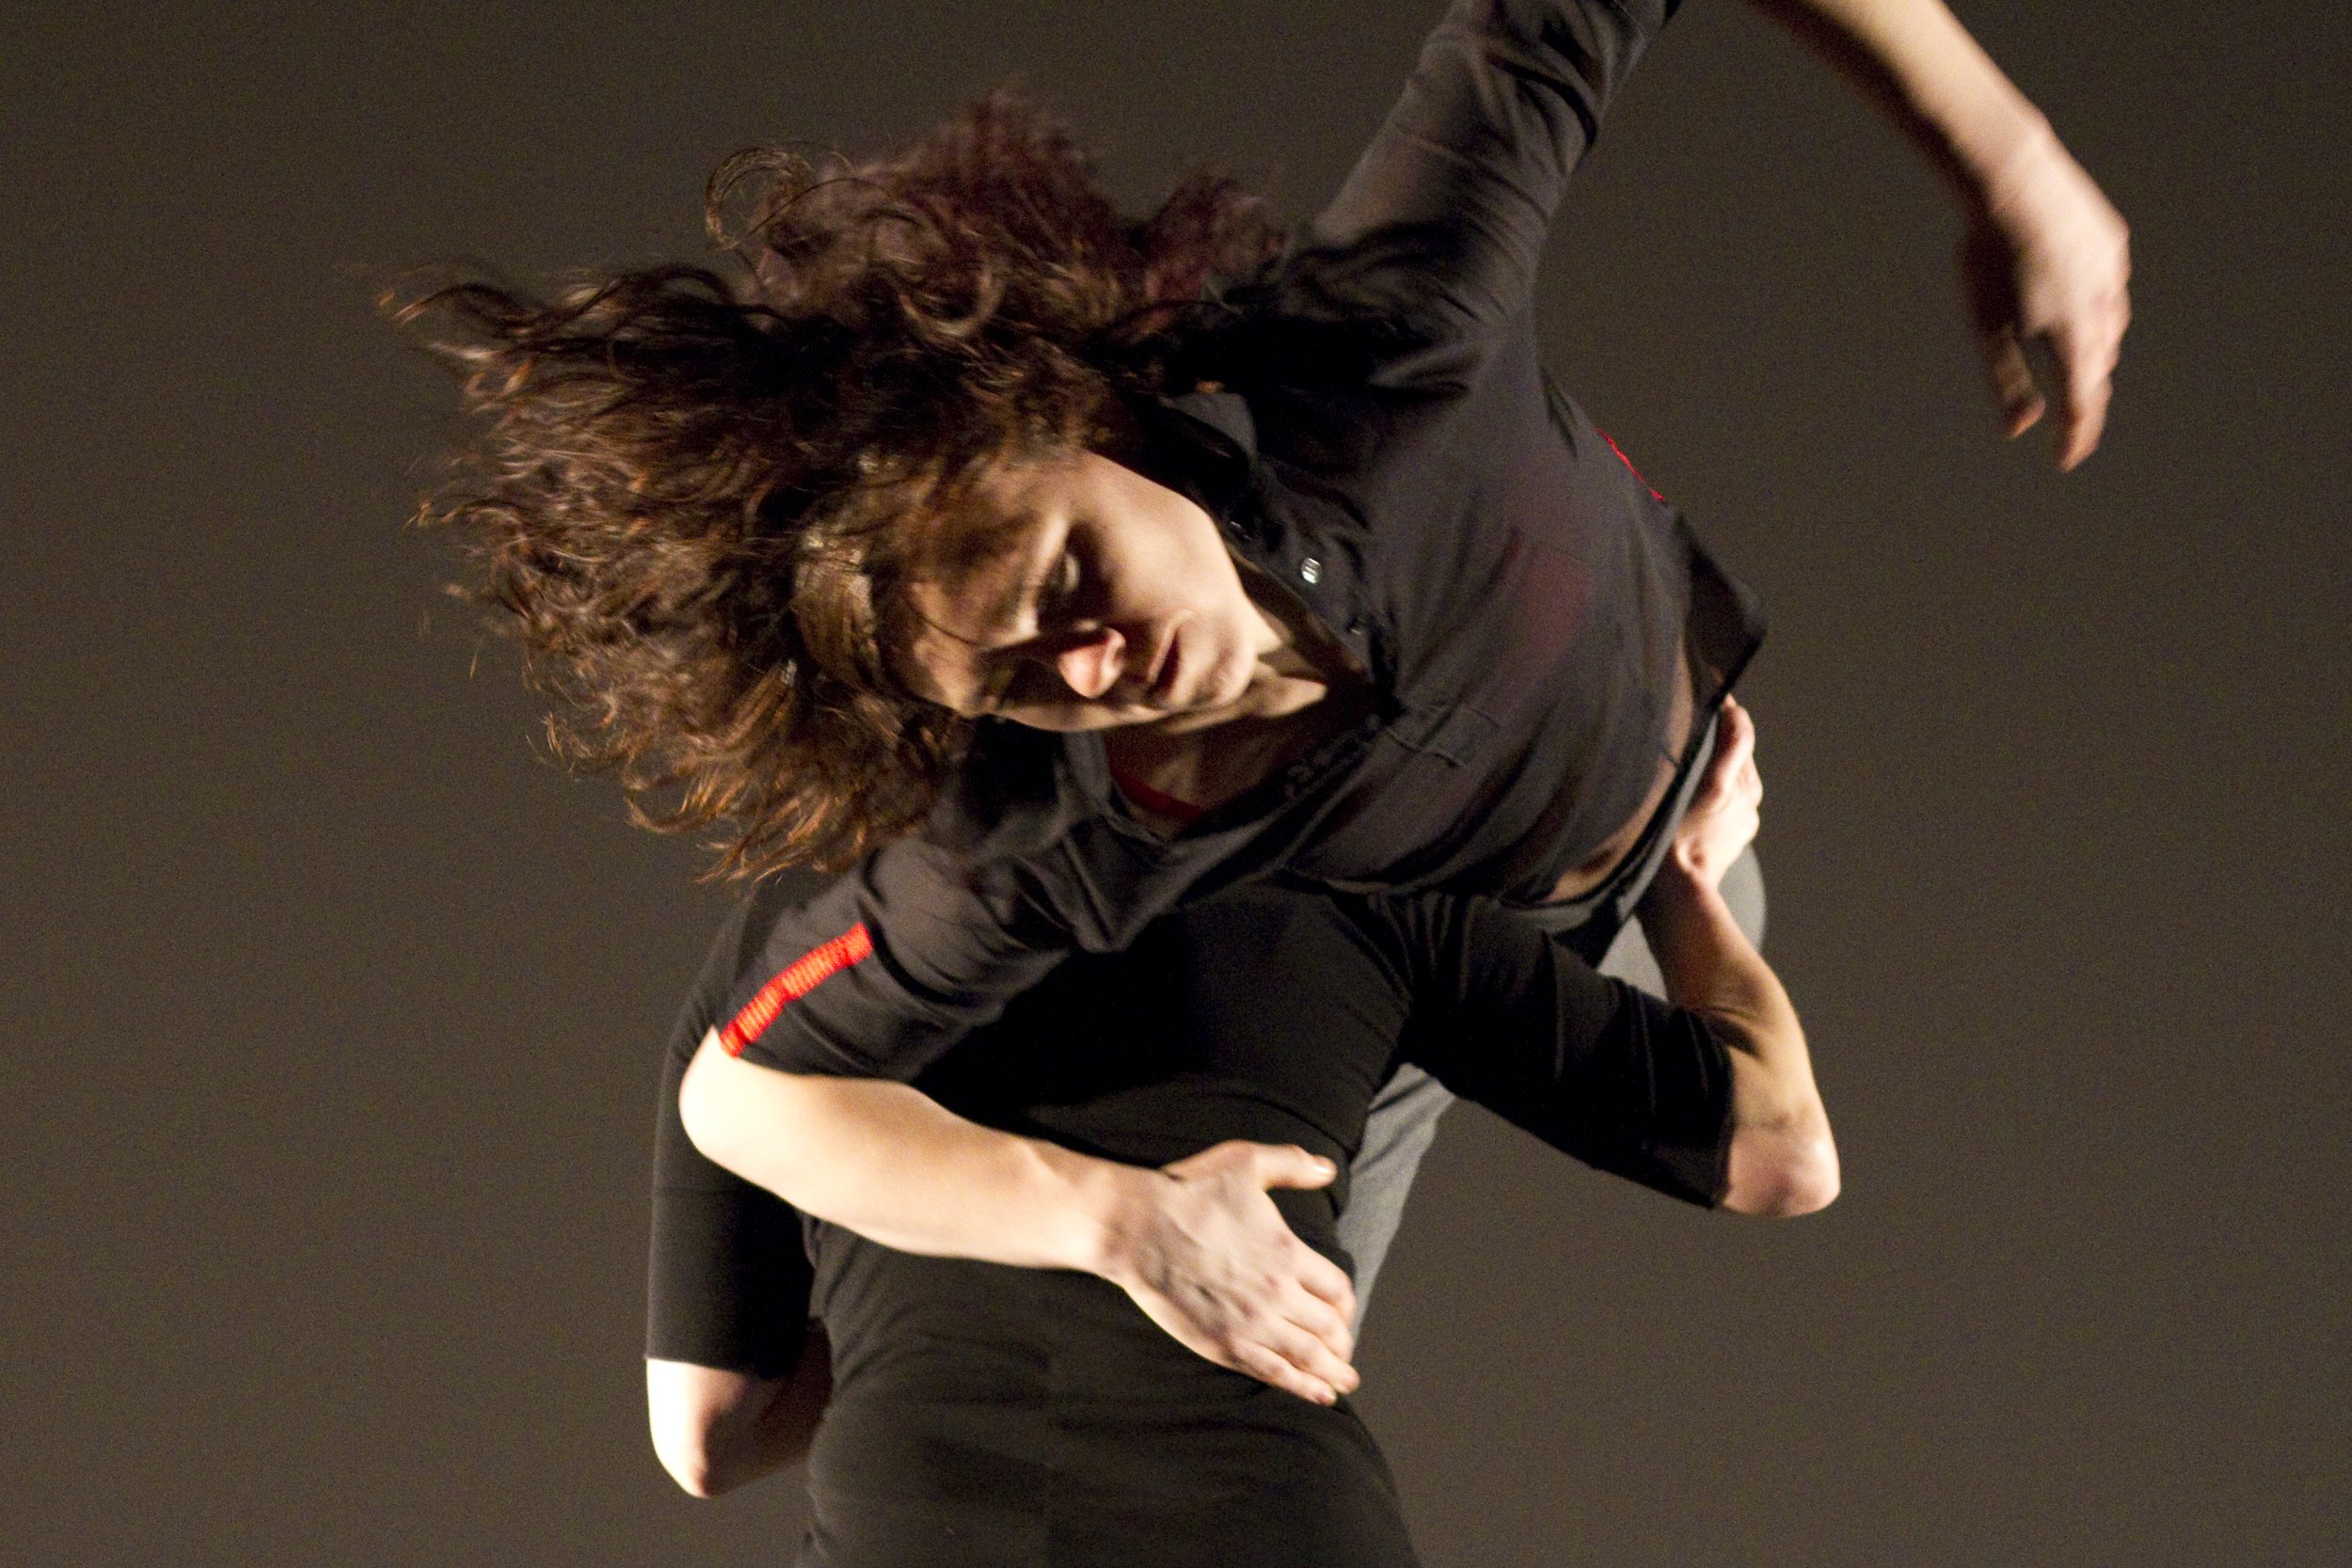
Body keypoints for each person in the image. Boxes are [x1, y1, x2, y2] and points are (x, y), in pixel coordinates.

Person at [397, 0, 2122, 1384]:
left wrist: (2009, 157)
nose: (1092, 668)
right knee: (1176, 1385)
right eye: (1020, 680)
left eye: (1070, 582)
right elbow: (738, 1095)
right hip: (1421, 947)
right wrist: (1115, 1222)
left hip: (1675, 843)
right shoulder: (1057, 829)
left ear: (1089, 419)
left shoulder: (1382, 337)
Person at [647, 705, 1834, 1566]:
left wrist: (919, 1286)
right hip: (1265, 1517)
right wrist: (1684, 884)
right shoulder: (1370, 896)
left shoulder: (792, 943)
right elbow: (1777, 1147)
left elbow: (708, 1431)